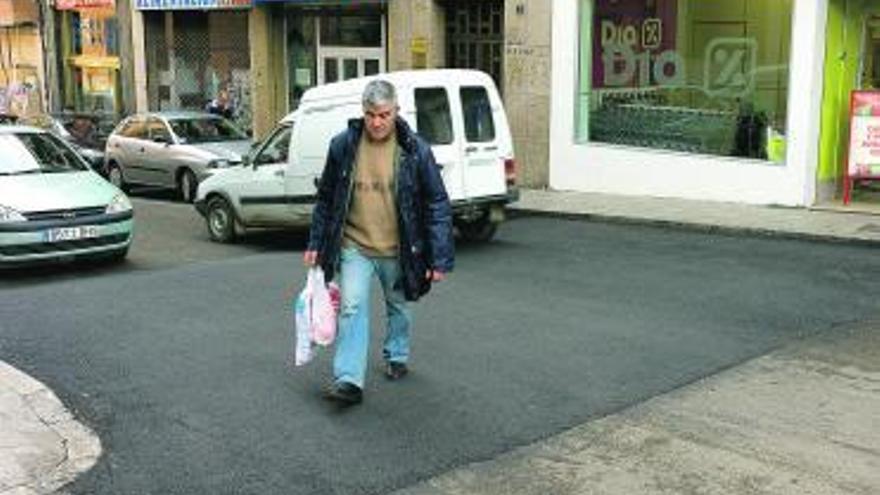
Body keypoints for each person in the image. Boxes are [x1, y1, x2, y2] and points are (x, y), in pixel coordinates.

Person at [303, 79, 454, 406]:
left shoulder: (415, 150)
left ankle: (396, 352)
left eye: (384, 114)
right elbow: (327, 198)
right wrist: (316, 241)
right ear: (363, 111)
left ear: (396, 111)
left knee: (399, 304)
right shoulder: (343, 146)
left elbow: (437, 203)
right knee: (351, 306)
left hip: (399, 248)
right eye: (371, 114)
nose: (376, 122)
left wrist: (439, 257)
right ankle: (348, 380)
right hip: (354, 244)